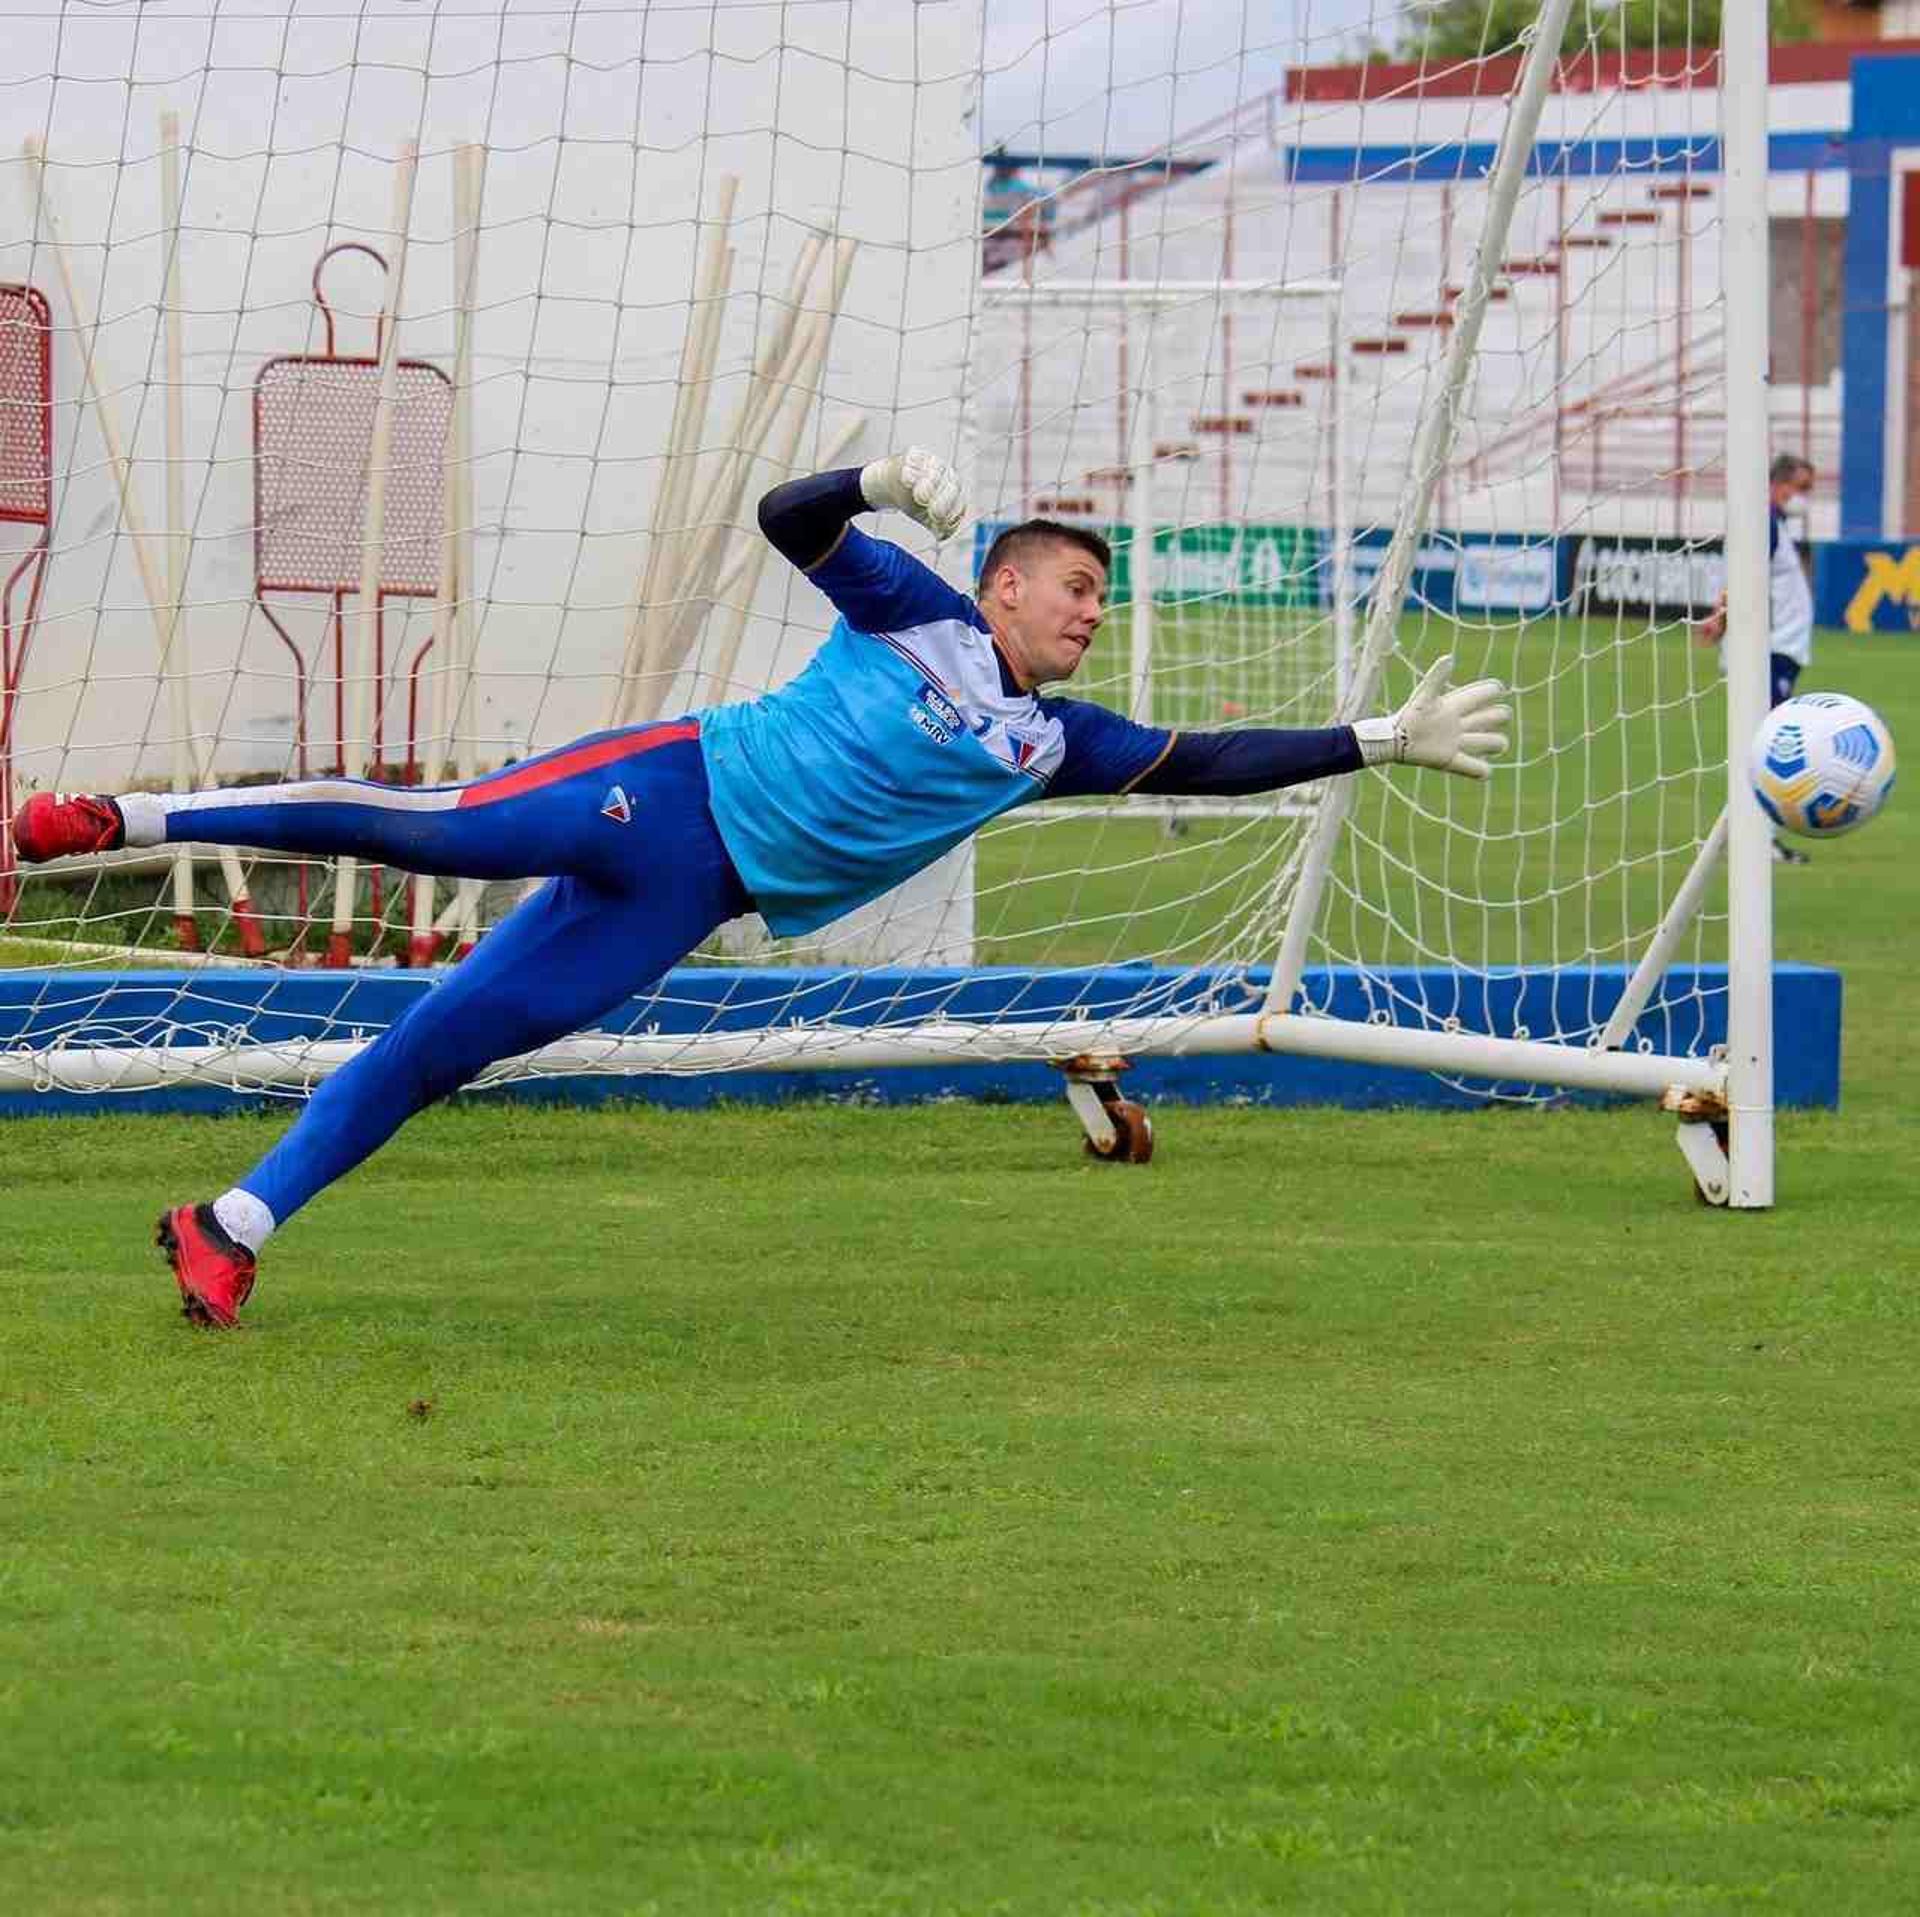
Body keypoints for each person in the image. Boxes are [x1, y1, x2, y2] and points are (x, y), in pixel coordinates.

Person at [10, 449, 1510, 1327]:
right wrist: (868, 480)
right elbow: (791, 526)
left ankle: (231, 1231)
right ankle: (110, 815)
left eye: (1102, 601)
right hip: (662, 787)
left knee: (443, 1048)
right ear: (1001, 583)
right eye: (1075, 589)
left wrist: (1372, 738)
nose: (1092, 615)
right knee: (426, 828)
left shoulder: (1060, 743)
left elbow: (1217, 758)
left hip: (687, 896)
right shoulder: (914, 607)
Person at [1696, 451, 1817, 864]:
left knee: (1764, 743)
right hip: (1770, 651)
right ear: (1780, 484)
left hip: (1781, 650)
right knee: (1769, 747)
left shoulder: (1773, 524)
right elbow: (1746, 579)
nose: (1804, 497)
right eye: (1802, 488)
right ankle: (1757, 837)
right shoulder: (1762, 522)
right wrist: (1722, 618)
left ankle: (1752, 833)